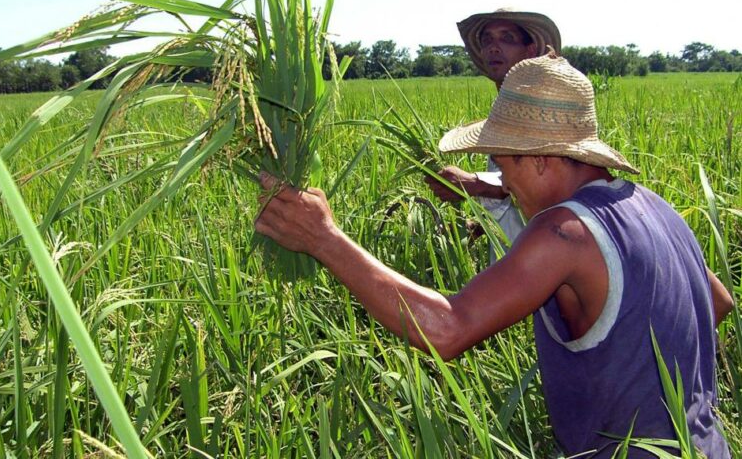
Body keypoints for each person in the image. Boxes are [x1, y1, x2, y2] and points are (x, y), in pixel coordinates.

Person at [255, 54, 733, 458]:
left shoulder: (562, 231)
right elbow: (717, 302)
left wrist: (325, 239)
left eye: (504, 166)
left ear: (541, 159)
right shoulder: (653, 205)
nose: (503, 184)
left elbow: (446, 330)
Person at [425, 9, 562, 243]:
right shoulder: (503, 109)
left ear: (529, 51)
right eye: (487, 40)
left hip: (543, 263)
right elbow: (514, 202)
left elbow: (547, 183)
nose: (494, 47)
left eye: (507, 38)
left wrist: (474, 183)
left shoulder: (543, 109)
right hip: (512, 260)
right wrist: (477, 228)